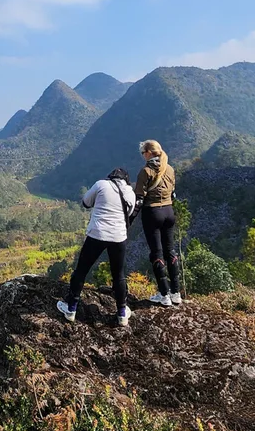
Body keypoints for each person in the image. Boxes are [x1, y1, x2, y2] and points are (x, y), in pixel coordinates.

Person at [57, 168, 137, 326]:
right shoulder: (130, 192)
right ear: (125, 180)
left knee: (81, 270)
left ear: (111, 177)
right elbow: (130, 213)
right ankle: (122, 313)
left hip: (97, 234)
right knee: (118, 275)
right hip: (118, 237)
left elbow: (86, 202)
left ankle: (71, 308)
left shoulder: (101, 185)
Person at [135, 139, 181, 306]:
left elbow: (139, 197)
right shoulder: (169, 168)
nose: (142, 156)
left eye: (143, 153)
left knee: (157, 253)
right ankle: (176, 293)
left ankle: (164, 295)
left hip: (152, 212)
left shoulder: (146, 171)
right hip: (169, 211)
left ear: (148, 153)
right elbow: (173, 191)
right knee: (171, 251)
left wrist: (129, 219)